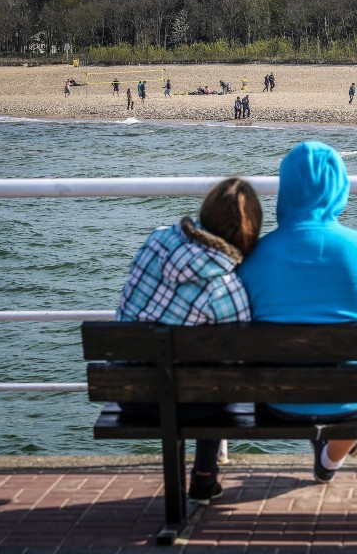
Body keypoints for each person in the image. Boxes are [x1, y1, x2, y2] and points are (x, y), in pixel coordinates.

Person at [237, 141, 357, 484]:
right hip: (356, 401)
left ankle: (330, 449)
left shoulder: (252, 256)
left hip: (275, 401)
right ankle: (331, 458)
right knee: (351, 389)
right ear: (340, 187)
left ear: (285, 188)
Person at [117, 177, 263, 503]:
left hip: (129, 392)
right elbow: (239, 360)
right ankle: (204, 477)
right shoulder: (226, 288)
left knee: (188, 371)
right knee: (215, 379)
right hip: (191, 405)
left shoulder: (156, 241)